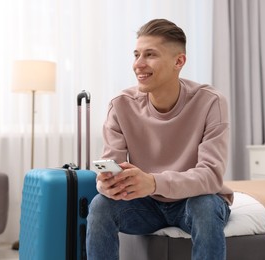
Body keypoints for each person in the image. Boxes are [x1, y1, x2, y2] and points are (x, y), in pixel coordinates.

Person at [86, 18, 234, 260]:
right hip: (146, 204)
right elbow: (110, 164)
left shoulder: (210, 102)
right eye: (136, 55)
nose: (138, 64)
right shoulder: (121, 105)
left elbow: (211, 176)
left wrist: (153, 182)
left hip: (192, 201)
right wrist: (105, 184)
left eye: (150, 55)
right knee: (100, 205)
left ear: (179, 61)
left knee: (205, 206)